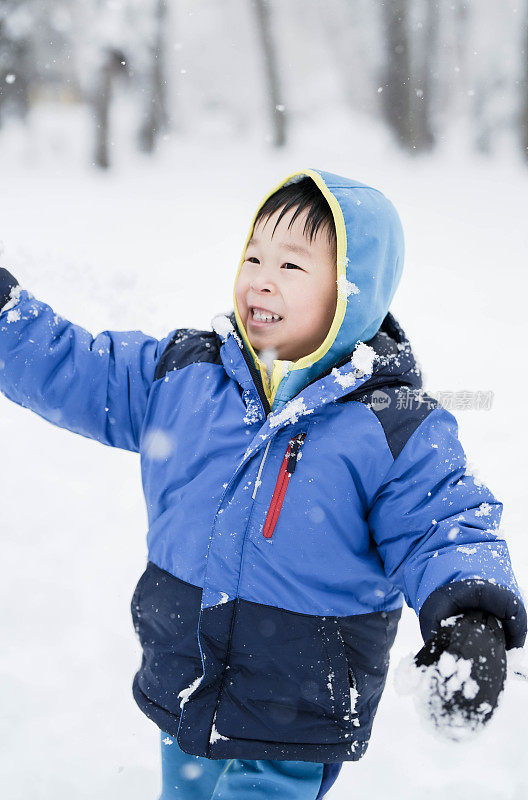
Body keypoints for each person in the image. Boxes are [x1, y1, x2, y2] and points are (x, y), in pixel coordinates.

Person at [0, 168, 525, 800]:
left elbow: (445, 523)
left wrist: (471, 618)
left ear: (351, 294)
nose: (261, 278)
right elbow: (78, 368)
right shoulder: (187, 374)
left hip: (293, 713)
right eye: (254, 255)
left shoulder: (391, 426)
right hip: (186, 683)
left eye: (293, 266)